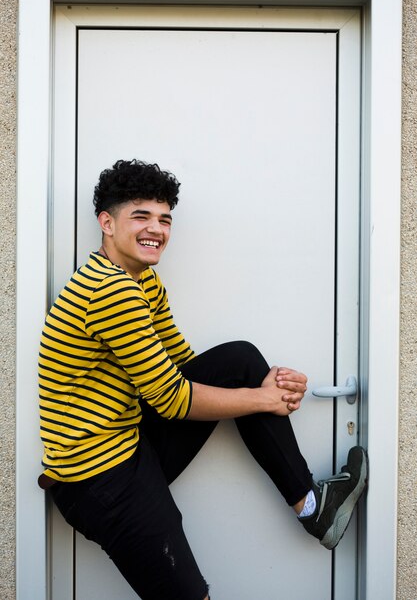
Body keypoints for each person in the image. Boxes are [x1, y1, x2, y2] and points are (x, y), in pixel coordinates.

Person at [38, 159, 368, 600]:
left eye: (164, 218)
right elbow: (174, 399)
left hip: (131, 443)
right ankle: (310, 504)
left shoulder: (143, 282)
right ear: (107, 223)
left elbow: (183, 366)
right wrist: (265, 401)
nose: (156, 229)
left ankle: (314, 507)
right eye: (140, 216)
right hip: (99, 480)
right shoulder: (109, 291)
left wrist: (266, 387)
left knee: (240, 362)